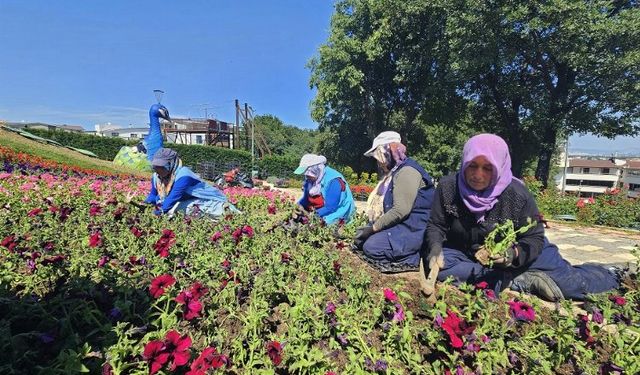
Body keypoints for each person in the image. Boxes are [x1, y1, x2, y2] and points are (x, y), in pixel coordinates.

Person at [424, 134, 619, 301]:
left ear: (499, 167)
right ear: (464, 162)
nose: (478, 175)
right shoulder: (449, 187)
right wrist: (435, 248)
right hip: (465, 252)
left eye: (488, 168)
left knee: (572, 286)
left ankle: (611, 273)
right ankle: (516, 281)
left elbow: (533, 238)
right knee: (439, 266)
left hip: (522, 253)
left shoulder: (516, 194)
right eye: (472, 166)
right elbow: (436, 225)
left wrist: (511, 255)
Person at [353, 131, 435, 273]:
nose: (378, 162)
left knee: (371, 247)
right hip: (404, 227)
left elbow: (400, 210)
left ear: (388, 151)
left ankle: (414, 259)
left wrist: (373, 229)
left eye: (379, 157)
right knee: (363, 241)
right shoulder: (397, 170)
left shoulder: (407, 171)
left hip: (414, 229)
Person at [144, 148, 239, 218]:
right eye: (156, 166)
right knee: (172, 208)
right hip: (183, 200)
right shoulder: (156, 177)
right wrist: (145, 205)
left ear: (171, 164)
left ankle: (226, 210)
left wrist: (158, 212)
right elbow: (153, 195)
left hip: (204, 200)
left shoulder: (183, 174)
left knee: (184, 209)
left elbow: (173, 197)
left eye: (161, 166)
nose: (158, 169)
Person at [294, 153, 355, 225]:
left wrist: (312, 216)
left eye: (309, 176)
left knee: (321, 226)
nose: (307, 178)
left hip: (337, 215)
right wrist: (296, 207)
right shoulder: (311, 180)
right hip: (318, 212)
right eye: (306, 176)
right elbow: (305, 200)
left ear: (316, 171)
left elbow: (331, 207)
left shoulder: (334, 181)